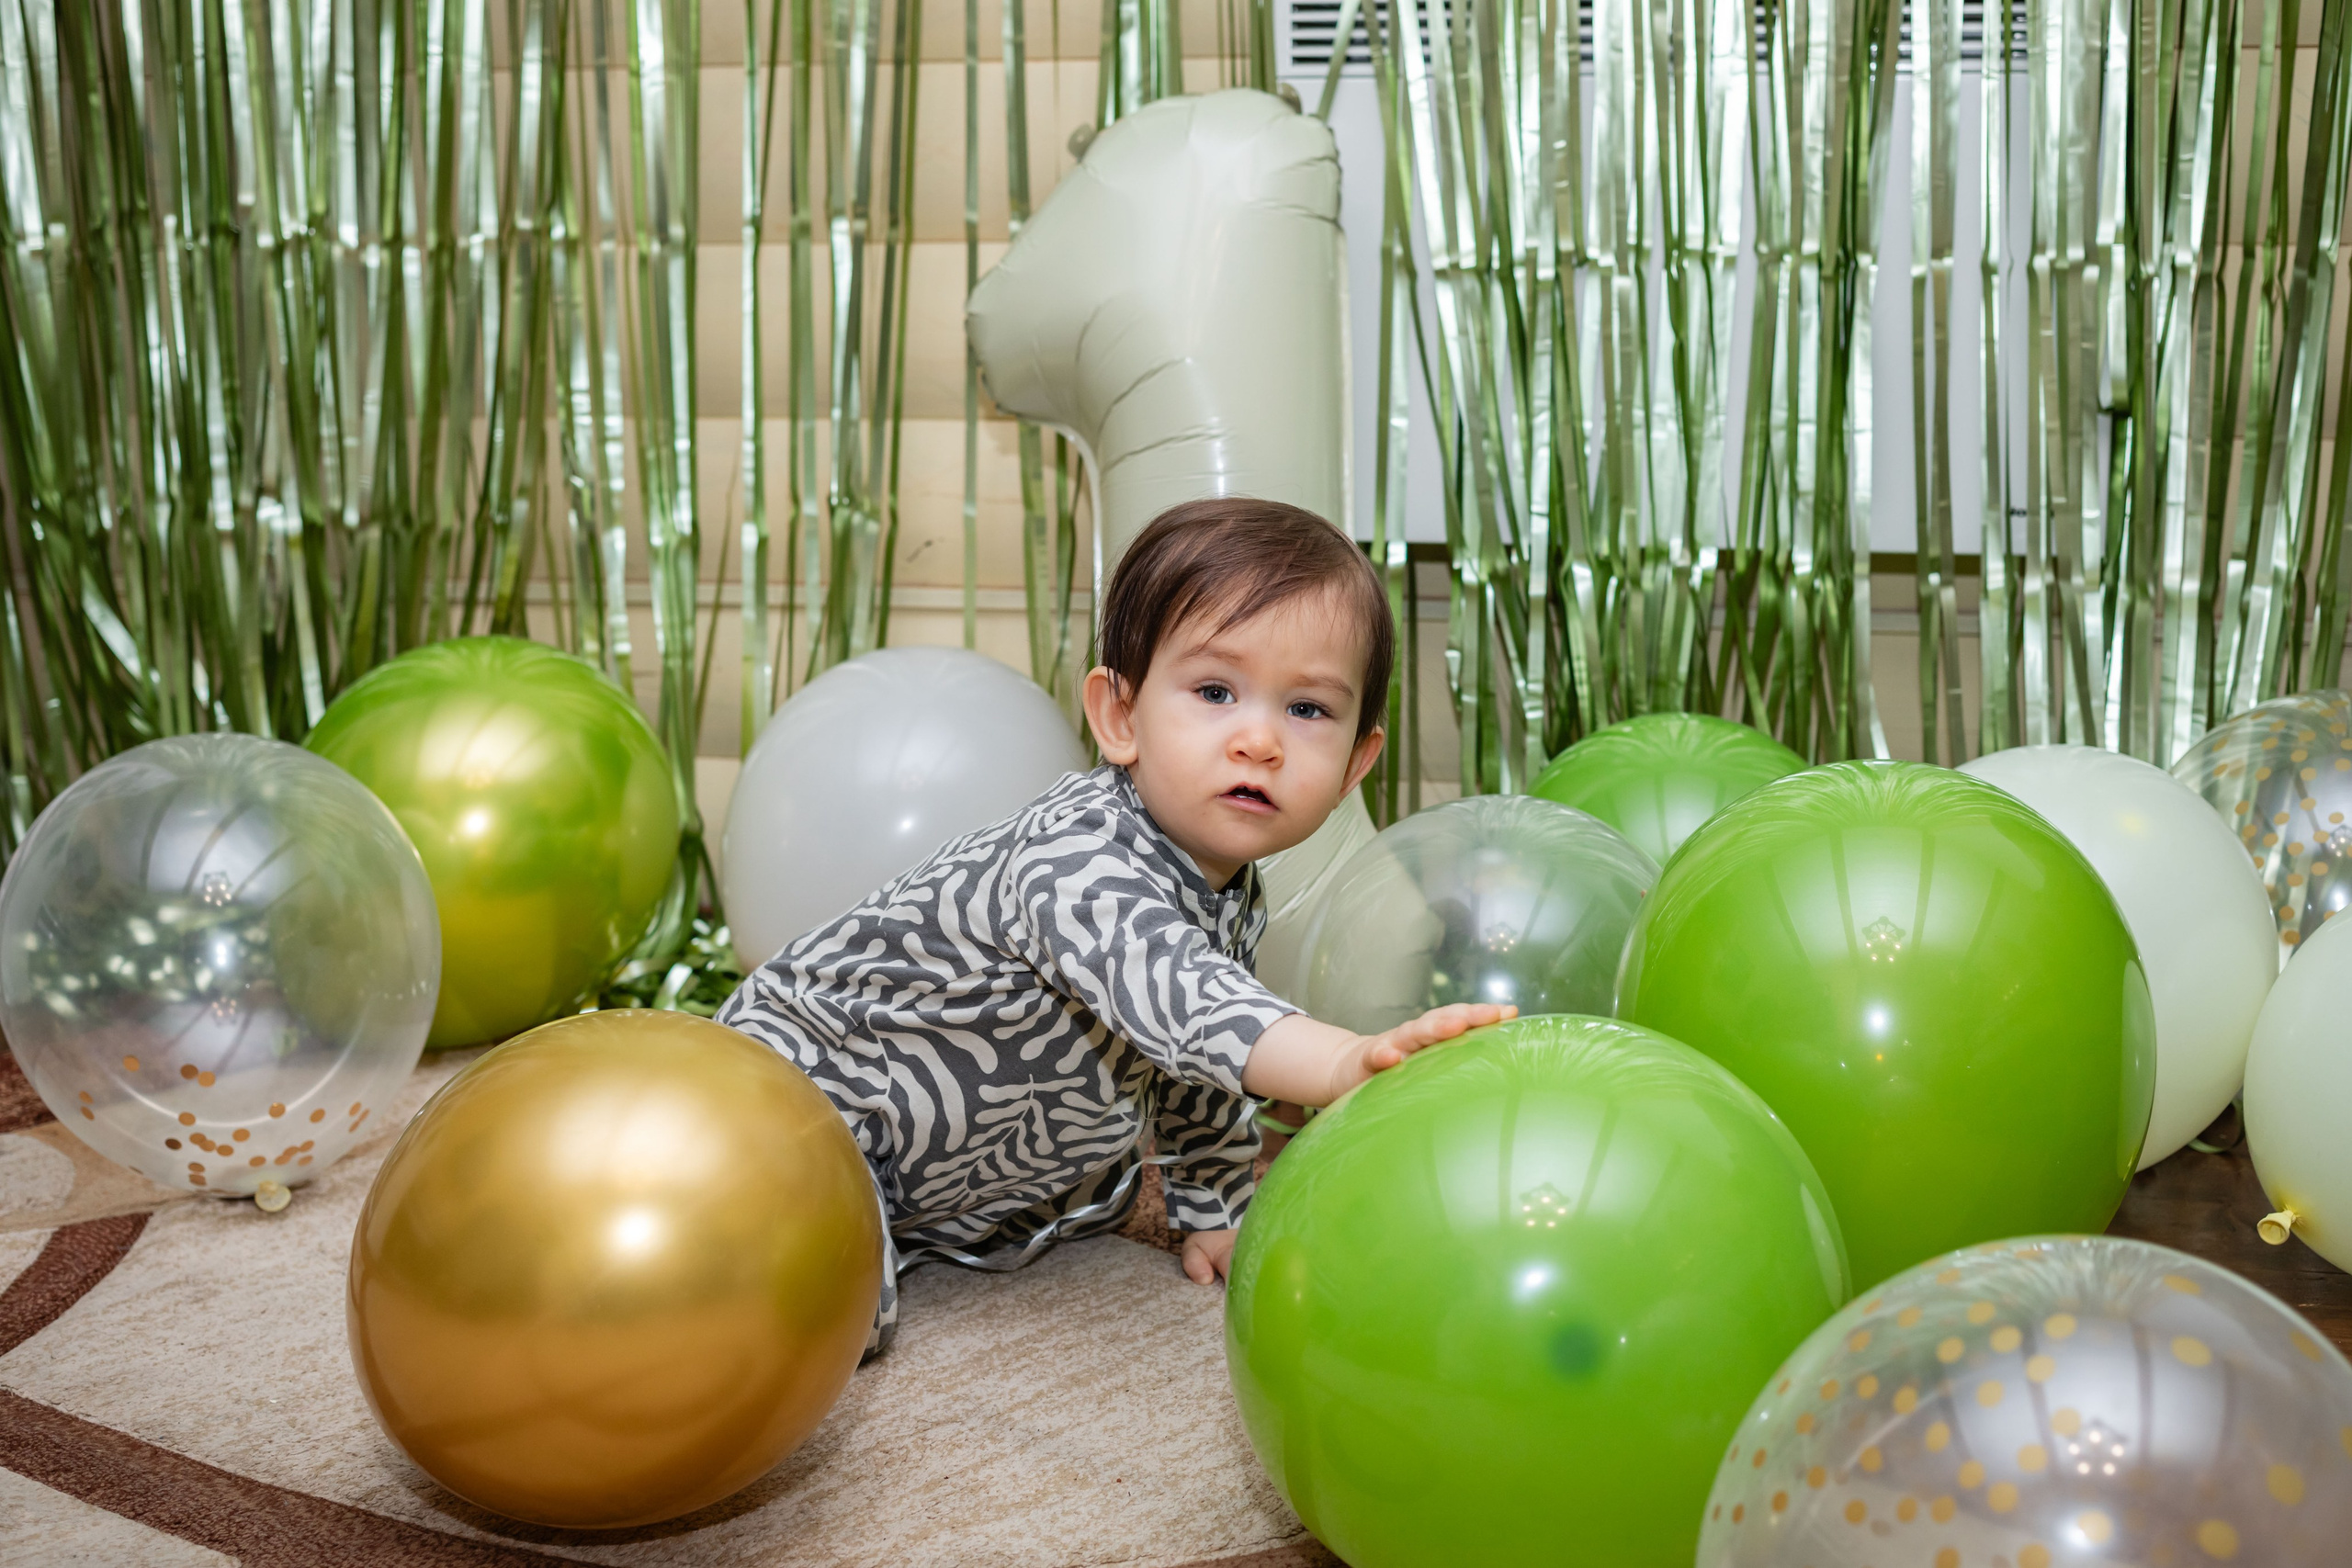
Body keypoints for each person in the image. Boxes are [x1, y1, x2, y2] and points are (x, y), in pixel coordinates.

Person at [717, 498, 1511, 1354]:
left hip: (948, 1155)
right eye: (1215, 692)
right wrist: (1341, 1060)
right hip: (801, 1094)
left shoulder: (1231, 891)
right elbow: (1186, 1002)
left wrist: (1215, 1207)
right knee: (814, 1318)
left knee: (1090, 1186)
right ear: (1120, 718)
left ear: (1355, 763)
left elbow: (1196, 1068)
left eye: (1308, 710)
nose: (1260, 740)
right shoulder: (1076, 856)